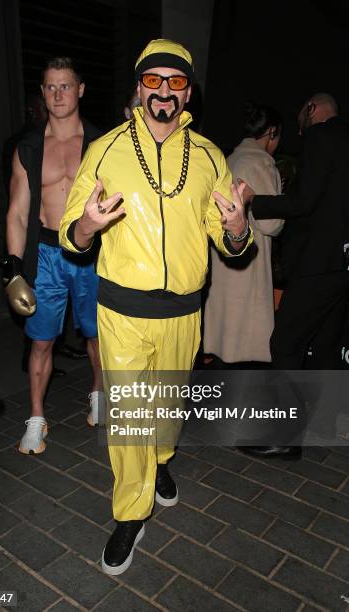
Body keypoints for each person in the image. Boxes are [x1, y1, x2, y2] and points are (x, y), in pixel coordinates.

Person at [59, 39, 253, 574]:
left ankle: (162, 460)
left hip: (184, 313)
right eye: (153, 81)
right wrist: (87, 227)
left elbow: (230, 242)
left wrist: (237, 228)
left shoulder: (211, 156)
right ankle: (130, 512)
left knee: (164, 412)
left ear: (188, 91)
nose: (163, 92)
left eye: (174, 82)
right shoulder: (104, 150)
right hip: (121, 312)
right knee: (129, 418)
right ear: (138, 88)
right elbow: (70, 235)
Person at [215, 92, 349, 457]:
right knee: (325, 347)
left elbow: (304, 202)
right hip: (342, 264)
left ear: (311, 110)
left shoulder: (322, 135)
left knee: (285, 344)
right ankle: (321, 424)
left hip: (318, 264)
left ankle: (285, 438)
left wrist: (254, 200)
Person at [5, 57, 104, 454]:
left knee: (98, 335)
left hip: (92, 253)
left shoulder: (101, 143)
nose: (58, 94)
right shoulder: (28, 147)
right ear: (42, 93)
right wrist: (13, 270)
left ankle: (99, 393)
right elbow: (17, 211)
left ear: (80, 89)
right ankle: (36, 418)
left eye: (65, 86)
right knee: (41, 341)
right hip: (46, 254)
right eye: (50, 87)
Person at [204, 102, 284, 365]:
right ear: (271, 132)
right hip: (249, 267)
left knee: (226, 343)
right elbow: (272, 224)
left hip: (226, 262)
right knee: (247, 352)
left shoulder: (231, 159)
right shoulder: (261, 163)